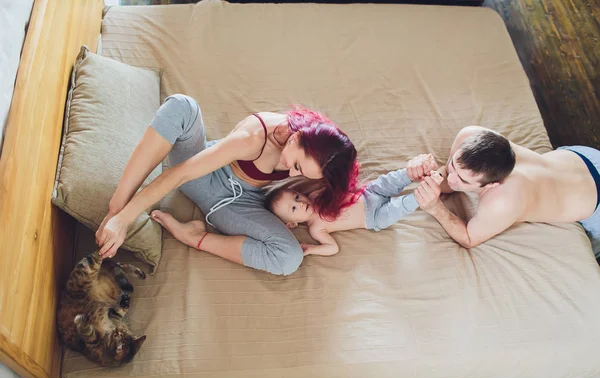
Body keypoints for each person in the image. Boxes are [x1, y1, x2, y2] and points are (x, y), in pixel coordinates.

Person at [95, 94, 361, 275]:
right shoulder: (253, 137)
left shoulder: (318, 146)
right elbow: (179, 175)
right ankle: (116, 206)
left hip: (242, 202)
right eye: (296, 166)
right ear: (296, 138)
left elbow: (343, 178)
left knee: (290, 258)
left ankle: (195, 236)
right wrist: (123, 218)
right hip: (205, 178)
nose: (292, 173)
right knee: (183, 105)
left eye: (300, 172)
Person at [411, 125, 600, 257]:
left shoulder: (503, 200)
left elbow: (469, 238)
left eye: (462, 180)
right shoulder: (469, 135)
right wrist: (427, 173)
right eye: (452, 166)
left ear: (491, 185)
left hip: (592, 199)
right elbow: (448, 182)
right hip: (581, 156)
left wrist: (435, 207)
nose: (450, 177)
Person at [265, 167, 443, 256]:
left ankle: (416, 171)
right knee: (401, 206)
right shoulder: (316, 228)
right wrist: (311, 249)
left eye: (296, 197)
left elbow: (339, 189)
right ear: (292, 224)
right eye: (294, 208)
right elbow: (332, 248)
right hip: (374, 217)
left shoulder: (314, 194)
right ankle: (425, 190)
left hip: (368, 193)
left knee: (389, 181)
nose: (301, 203)